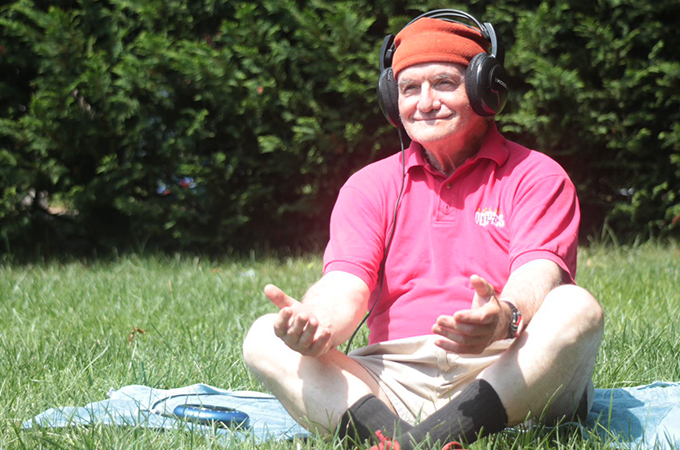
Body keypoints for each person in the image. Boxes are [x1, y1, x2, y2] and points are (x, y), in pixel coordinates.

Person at [243, 10, 604, 450]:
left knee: (576, 306)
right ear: (391, 99)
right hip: (389, 381)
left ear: (483, 89)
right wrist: (315, 324)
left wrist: (502, 318)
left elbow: (538, 274)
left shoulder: (537, 175)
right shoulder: (369, 186)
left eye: (445, 84)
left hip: (512, 368)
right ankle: (406, 439)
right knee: (264, 334)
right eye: (410, 88)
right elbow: (344, 284)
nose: (425, 101)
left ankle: (420, 440)